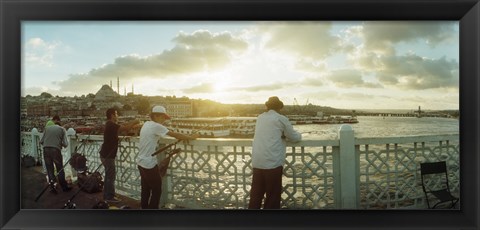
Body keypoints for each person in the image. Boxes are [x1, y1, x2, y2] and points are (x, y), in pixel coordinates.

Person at [136, 105, 198, 209]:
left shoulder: (147, 124)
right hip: (148, 164)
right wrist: (191, 137)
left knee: (145, 189)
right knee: (157, 190)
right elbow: (175, 134)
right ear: (156, 116)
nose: (164, 120)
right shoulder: (156, 126)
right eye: (163, 117)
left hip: (140, 162)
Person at [248, 96, 302, 209]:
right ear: (279, 108)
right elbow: (293, 137)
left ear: (267, 106)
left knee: (256, 196)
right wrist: (297, 134)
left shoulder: (260, 118)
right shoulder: (280, 118)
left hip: (257, 162)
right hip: (272, 163)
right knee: (272, 197)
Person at [99, 108, 141, 203]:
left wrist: (132, 126)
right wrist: (135, 121)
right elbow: (125, 128)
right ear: (112, 115)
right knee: (110, 176)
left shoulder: (109, 124)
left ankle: (107, 195)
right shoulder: (111, 124)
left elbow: (123, 127)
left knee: (108, 176)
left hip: (105, 154)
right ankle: (109, 197)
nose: (117, 116)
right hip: (108, 155)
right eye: (116, 114)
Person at [40, 115, 71, 193]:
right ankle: (64, 187)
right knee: (59, 169)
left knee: (50, 169)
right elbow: (66, 144)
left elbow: (41, 141)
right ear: (59, 123)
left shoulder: (47, 128)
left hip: (45, 149)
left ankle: (52, 187)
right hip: (55, 150)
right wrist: (59, 143)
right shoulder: (62, 129)